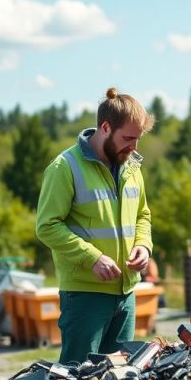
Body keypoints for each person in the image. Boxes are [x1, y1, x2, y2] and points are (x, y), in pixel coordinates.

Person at [35, 87, 154, 364]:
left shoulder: (132, 168)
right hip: (84, 295)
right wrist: (92, 258)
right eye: (128, 138)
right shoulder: (64, 167)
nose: (134, 147)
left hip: (126, 295)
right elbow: (47, 226)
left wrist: (143, 246)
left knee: (121, 378)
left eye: (138, 139)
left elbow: (143, 216)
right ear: (105, 127)